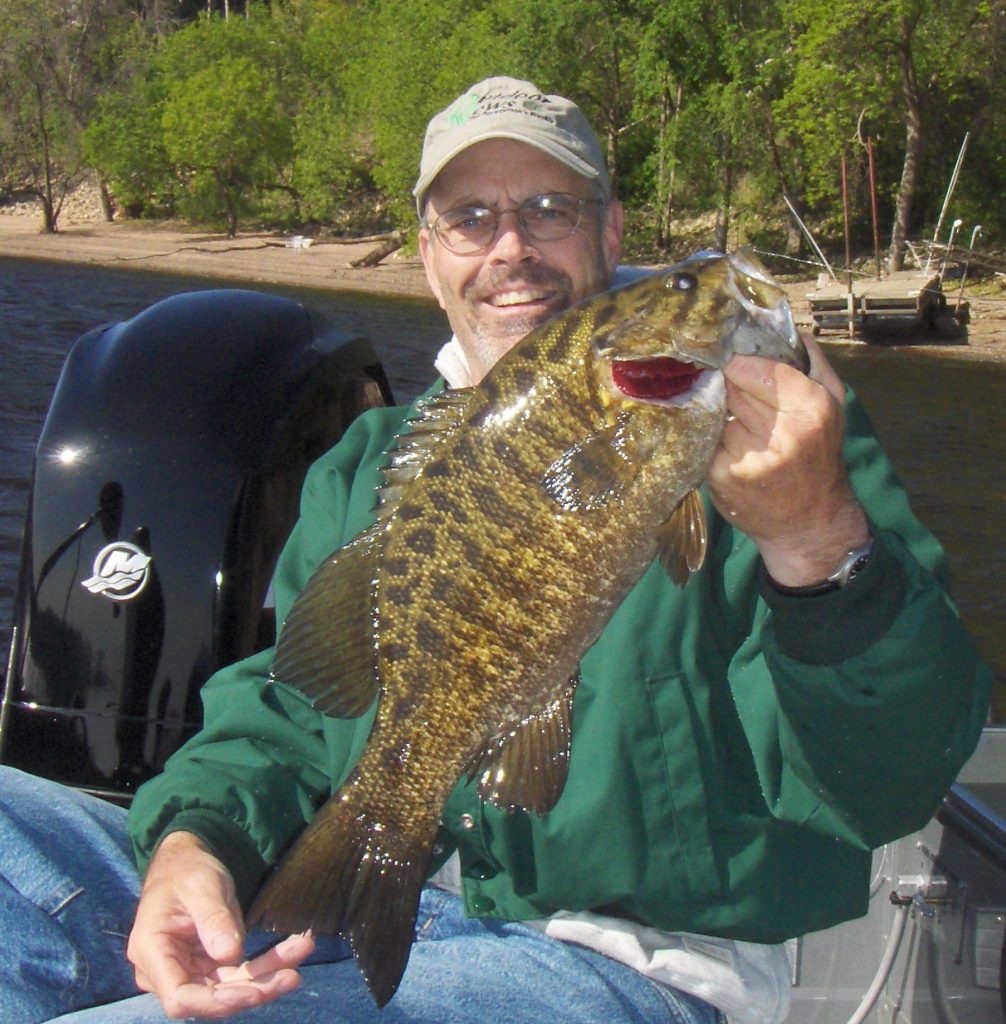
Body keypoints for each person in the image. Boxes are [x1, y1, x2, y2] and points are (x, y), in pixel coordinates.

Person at [0, 76, 992, 1024]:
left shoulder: (780, 446)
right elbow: (291, 712)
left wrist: (814, 536)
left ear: (609, 232)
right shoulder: (370, 465)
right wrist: (196, 841)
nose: (510, 247)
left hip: (619, 963)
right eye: (470, 218)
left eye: (549, 209)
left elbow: (893, 779)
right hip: (387, 890)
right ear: (429, 254)